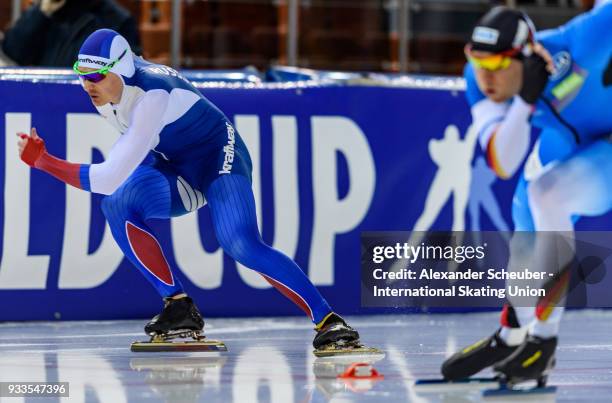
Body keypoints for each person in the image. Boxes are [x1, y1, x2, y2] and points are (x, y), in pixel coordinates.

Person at [16, 28, 361, 352]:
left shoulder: (150, 95)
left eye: (95, 76)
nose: (87, 84)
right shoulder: (108, 85)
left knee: (239, 242)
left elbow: (107, 176)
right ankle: (178, 306)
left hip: (216, 157)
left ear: (119, 70)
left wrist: (45, 161)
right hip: (172, 161)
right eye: (81, 75)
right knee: (117, 205)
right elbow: (120, 174)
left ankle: (329, 321)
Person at [441, 5, 612, 385]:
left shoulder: (583, 40)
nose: (487, 76)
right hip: (569, 138)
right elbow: (503, 160)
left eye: (499, 65)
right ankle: (513, 333)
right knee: (525, 214)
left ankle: (544, 340)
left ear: (526, 55)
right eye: (480, 63)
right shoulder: (477, 78)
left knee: (549, 196)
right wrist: (523, 102)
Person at [2, 0, 141, 67]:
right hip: (45, 100)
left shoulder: (116, 20)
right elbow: (14, 53)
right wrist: (41, 13)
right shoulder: (45, 12)